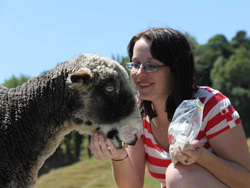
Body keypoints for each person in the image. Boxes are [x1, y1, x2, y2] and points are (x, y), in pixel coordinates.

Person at [89, 27, 250, 188]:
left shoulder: (211, 104)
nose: (139, 73)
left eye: (151, 65)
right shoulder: (135, 113)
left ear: (175, 69)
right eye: (136, 64)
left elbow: (246, 181)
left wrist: (202, 157)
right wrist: (118, 155)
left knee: (177, 175)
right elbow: (132, 185)